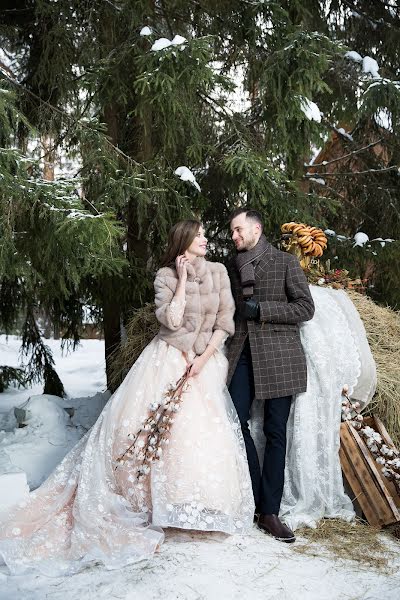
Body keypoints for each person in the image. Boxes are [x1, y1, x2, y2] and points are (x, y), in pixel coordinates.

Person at [0, 220, 254, 577]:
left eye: (204, 235)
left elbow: (225, 324)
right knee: (151, 431)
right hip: (166, 359)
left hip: (204, 363)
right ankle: (153, 505)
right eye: (198, 236)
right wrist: (181, 282)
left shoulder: (218, 273)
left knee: (200, 435)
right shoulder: (165, 276)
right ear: (183, 241)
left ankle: (192, 507)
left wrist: (203, 359)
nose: (205, 240)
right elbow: (170, 320)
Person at [226, 208, 315, 543]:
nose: (234, 237)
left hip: (280, 356)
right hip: (241, 354)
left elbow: (306, 308)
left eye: (238, 230)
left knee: (276, 430)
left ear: (256, 228)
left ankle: (270, 513)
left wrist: (263, 310)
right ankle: (254, 497)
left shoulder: (285, 262)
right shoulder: (231, 267)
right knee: (234, 420)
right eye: (231, 232)